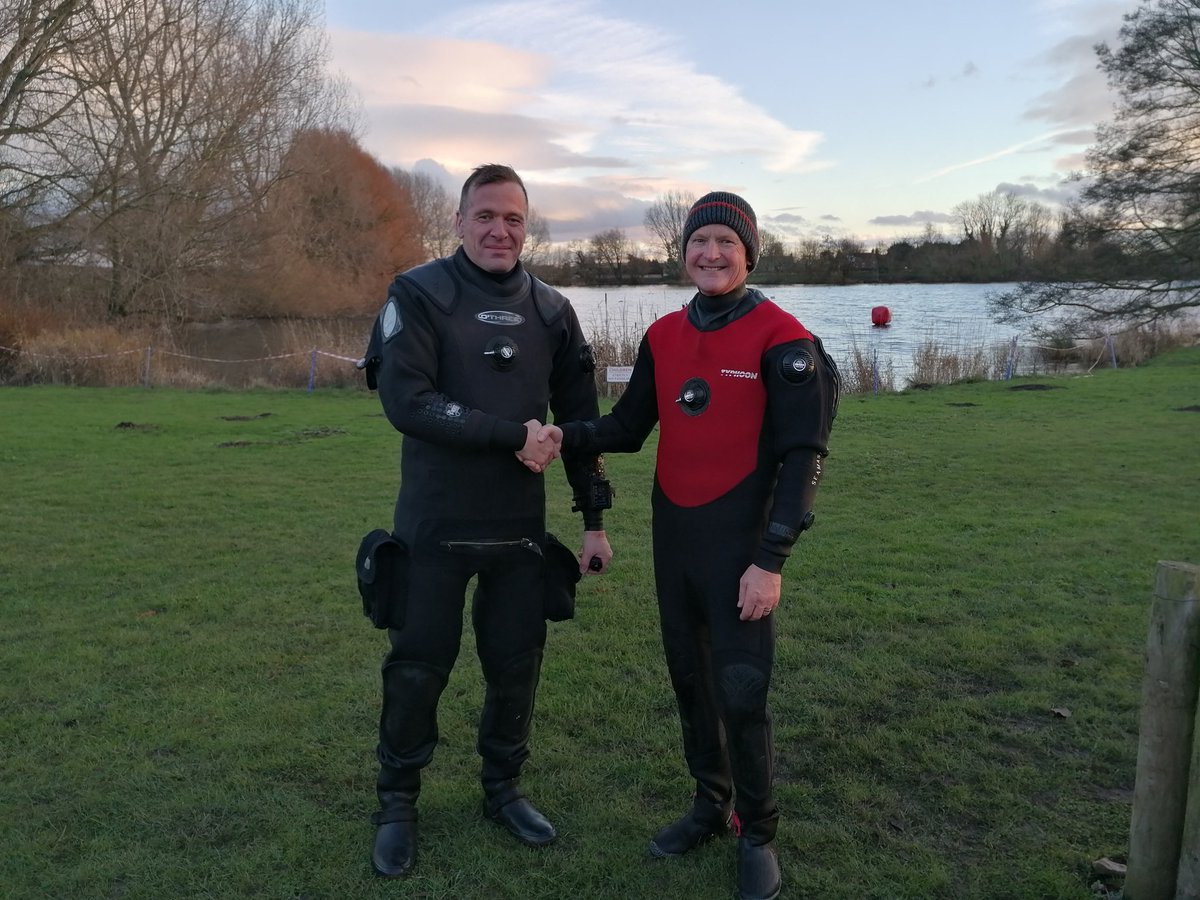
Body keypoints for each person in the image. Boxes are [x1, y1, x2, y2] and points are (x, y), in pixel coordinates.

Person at [542, 192, 838, 900]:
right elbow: (626, 427)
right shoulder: (664, 335)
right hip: (676, 541)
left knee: (741, 689)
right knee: (690, 681)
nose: (710, 253)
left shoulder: (784, 339)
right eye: (698, 241)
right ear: (683, 253)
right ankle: (710, 804)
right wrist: (559, 435)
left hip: (742, 548)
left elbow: (804, 457)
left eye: (725, 243)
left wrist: (770, 561)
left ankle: (758, 831)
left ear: (749, 254)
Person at [357, 163, 613, 878]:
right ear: (459, 221)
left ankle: (503, 789)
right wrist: (511, 436)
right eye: (486, 216)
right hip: (435, 525)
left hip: (517, 529)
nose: (500, 230)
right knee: (417, 668)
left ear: (527, 227)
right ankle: (397, 803)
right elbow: (408, 401)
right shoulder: (418, 294)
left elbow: (581, 423)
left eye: (514, 219)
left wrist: (593, 517)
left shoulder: (552, 310)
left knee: (516, 664)